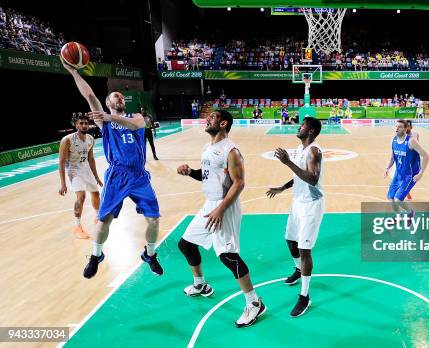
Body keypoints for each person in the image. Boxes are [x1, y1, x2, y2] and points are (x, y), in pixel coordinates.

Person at [62, 58, 163, 279]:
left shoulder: (135, 116)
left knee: (154, 219)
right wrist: (74, 72)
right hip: (117, 175)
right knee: (104, 219)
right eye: (113, 96)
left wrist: (111, 117)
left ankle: (150, 254)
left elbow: (139, 124)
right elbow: (89, 95)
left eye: (120, 96)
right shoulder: (104, 121)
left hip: (139, 176)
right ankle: (96, 256)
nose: (118, 97)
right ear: (107, 103)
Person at [177, 110, 266, 327]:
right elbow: (208, 174)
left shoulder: (231, 150)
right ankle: (200, 284)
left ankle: (254, 303)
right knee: (186, 245)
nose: (207, 119)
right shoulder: (207, 148)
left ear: (223, 123)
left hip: (224, 206)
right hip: (209, 204)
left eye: (213, 117)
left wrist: (221, 210)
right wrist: (190, 172)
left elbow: (239, 183)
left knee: (228, 256)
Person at [266, 117, 324, 317]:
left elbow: (313, 179)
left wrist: (288, 162)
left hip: (311, 204)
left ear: (311, 131)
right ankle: (299, 270)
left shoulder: (314, 151)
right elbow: (299, 175)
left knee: (304, 249)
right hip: (297, 202)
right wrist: (282, 187)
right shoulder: (300, 150)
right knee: (290, 241)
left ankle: (305, 296)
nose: (299, 126)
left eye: (302, 125)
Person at [58, 113, 103, 239]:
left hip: (86, 168)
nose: (84, 125)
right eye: (81, 123)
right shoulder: (67, 140)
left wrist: (96, 176)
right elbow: (61, 161)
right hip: (73, 170)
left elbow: (91, 158)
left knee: (95, 194)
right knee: (81, 196)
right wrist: (63, 184)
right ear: (76, 125)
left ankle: (97, 218)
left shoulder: (90, 139)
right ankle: (77, 227)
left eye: (85, 123)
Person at [384, 120, 429, 202]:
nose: (397, 128)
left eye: (400, 127)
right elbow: (392, 158)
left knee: (397, 199)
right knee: (390, 198)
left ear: (405, 129)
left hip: (410, 175)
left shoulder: (411, 141)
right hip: (398, 174)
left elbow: (426, 156)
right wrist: (387, 168)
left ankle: (410, 211)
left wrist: (421, 173)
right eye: (396, 126)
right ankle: (404, 213)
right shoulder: (394, 140)